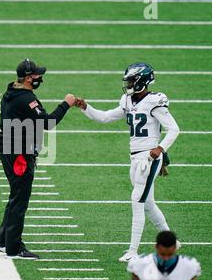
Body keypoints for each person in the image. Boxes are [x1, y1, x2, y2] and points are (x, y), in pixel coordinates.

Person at [75, 63, 181, 262]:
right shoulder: (127, 101)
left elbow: (173, 129)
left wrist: (160, 149)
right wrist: (85, 107)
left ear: (142, 80)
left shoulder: (154, 101)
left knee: (137, 201)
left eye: (132, 80)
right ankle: (171, 241)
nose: (129, 84)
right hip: (135, 157)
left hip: (148, 158)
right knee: (148, 204)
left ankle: (133, 250)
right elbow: (106, 117)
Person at [0, 58, 76, 260]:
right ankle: (14, 248)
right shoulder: (26, 98)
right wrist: (66, 104)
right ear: (29, 78)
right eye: (38, 75)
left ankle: (3, 240)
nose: (40, 77)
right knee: (20, 199)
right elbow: (48, 123)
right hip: (19, 155)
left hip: (8, 150)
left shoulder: (10, 93)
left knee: (16, 195)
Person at [128, 231, 200, 280]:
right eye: (162, 254)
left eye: (170, 254)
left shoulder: (189, 267)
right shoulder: (140, 264)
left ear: (175, 248)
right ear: (156, 247)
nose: (166, 258)